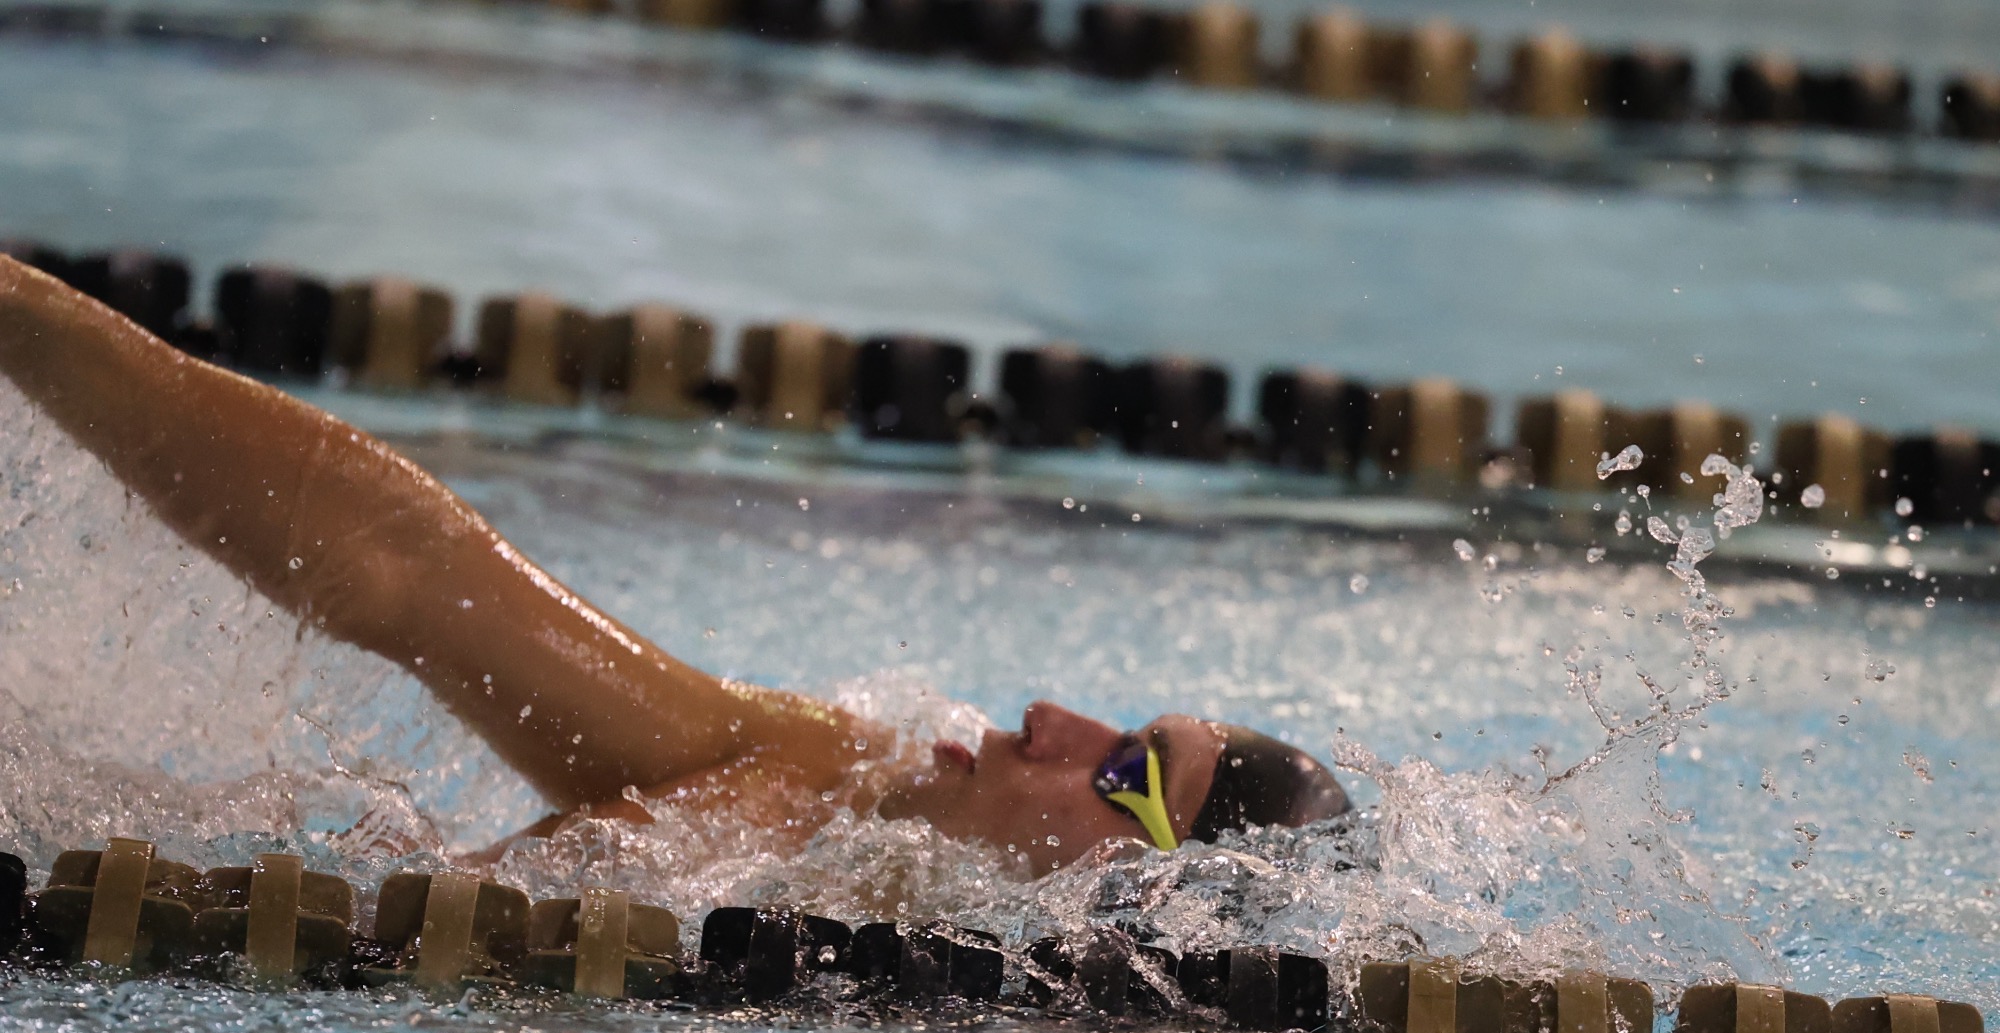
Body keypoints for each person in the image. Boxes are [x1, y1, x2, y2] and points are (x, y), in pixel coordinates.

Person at [0, 254, 1349, 874]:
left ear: (1137, 887)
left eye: (1123, 771)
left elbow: (478, 903)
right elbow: (420, 580)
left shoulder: (838, 838)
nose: (1055, 718)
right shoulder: (855, 781)